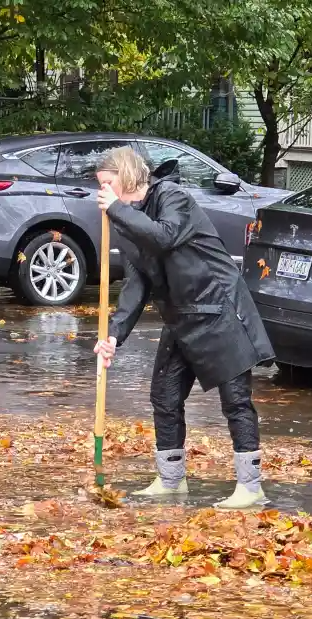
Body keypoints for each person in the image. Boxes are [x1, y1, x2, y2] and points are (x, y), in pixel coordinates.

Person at [93, 146, 275, 509]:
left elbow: (165, 236)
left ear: (127, 176)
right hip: (180, 315)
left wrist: (116, 209)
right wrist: (114, 334)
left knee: (236, 401)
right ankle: (171, 480)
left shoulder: (172, 197)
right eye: (101, 186)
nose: (104, 194)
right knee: (164, 396)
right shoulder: (126, 219)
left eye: (108, 184)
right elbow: (137, 282)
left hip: (218, 308)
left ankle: (250, 487)